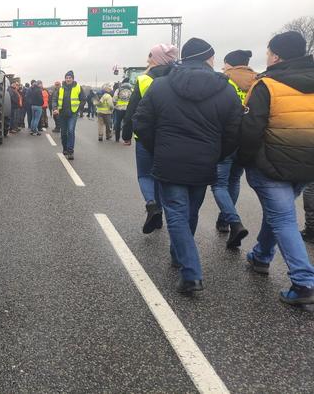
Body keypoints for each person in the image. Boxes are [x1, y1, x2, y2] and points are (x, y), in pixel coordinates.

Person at [133, 38, 242, 293]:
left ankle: (191, 272)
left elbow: (141, 123)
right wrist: (217, 154)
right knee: (189, 212)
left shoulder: (160, 86)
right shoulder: (226, 90)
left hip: (169, 161)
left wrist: (157, 148)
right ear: (207, 59)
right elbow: (234, 132)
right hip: (204, 162)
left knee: (177, 213)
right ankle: (179, 256)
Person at [238, 31, 314, 306]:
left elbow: (250, 130)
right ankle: (261, 256)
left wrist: (244, 160)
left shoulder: (266, 85)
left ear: (277, 56)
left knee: (282, 217)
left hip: (271, 165)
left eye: (269, 52)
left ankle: (304, 281)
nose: (267, 57)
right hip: (307, 165)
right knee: (278, 211)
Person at [123, 43, 179, 233]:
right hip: (171, 137)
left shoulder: (144, 80)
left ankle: (152, 205)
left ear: (156, 59)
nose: (147, 60)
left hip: (145, 136)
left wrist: (126, 134)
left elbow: (132, 109)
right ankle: (162, 214)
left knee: (145, 175)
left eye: (150, 56)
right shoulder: (179, 77)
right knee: (163, 177)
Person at [210, 49, 256, 248]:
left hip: (226, 139)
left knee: (219, 184)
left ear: (229, 64)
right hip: (247, 140)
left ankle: (234, 223)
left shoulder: (223, 81)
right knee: (234, 180)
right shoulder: (257, 81)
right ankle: (224, 220)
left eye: (225, 63)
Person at [53, 70, 82, 159]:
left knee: (70, 131)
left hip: (73, 113)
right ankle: (65, 148)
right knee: (63, 133)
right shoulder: (60, 89)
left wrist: (78, 109)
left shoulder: (78, 87)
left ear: (73, 79)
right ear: (65, 79)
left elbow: (83, 99)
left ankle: (70, 151)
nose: (68, 79)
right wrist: (55, 108)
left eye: (70, 78)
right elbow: (54, 99)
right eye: (66, 78)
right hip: (62, 114)